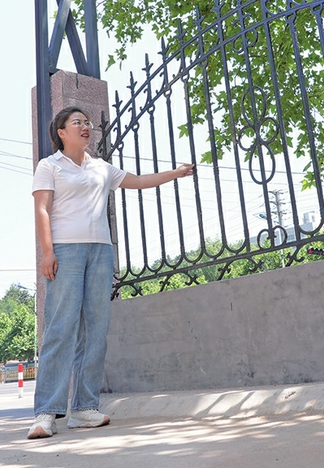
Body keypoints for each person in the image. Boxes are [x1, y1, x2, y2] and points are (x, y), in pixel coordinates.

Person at [27, 106, 194, 439]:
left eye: (88, 122)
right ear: (61, 132)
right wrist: (48, 252)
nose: (86, 127)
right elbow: (42, 208)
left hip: (101, 251)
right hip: (66, 250)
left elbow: (139, 181)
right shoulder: (50, 166)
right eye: (78, 123)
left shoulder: (102, 167)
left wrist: (176, 172)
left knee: (96, 330)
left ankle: (84, 408)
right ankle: (46, 412)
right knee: (61, 328)